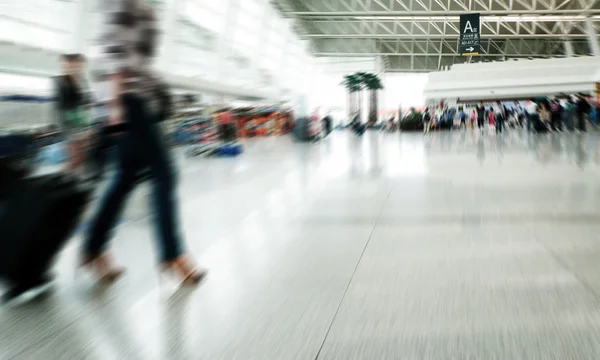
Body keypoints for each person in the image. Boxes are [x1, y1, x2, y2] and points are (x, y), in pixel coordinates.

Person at [82, 0, 205, 284]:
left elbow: (138, 59)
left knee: (124, 178)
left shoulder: (138, 5)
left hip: (132, 99)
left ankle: (93, 249)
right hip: (127, 101)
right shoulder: (123, 2)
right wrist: (114, 105)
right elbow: (115, 50)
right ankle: (172, 255)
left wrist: (159, 92)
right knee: (165, 175)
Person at [54, 53, 93, 178]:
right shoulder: (62, 81)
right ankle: (58, 180)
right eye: (75, 63)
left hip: (81, 121)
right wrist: (67, 127)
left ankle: (70, 180)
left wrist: (86, 125)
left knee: (81, 157)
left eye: (81, 64)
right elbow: (62, 106)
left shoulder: (82, 80)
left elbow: (86, 101)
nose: (79, 66)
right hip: (70, 122)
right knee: (75, 158)